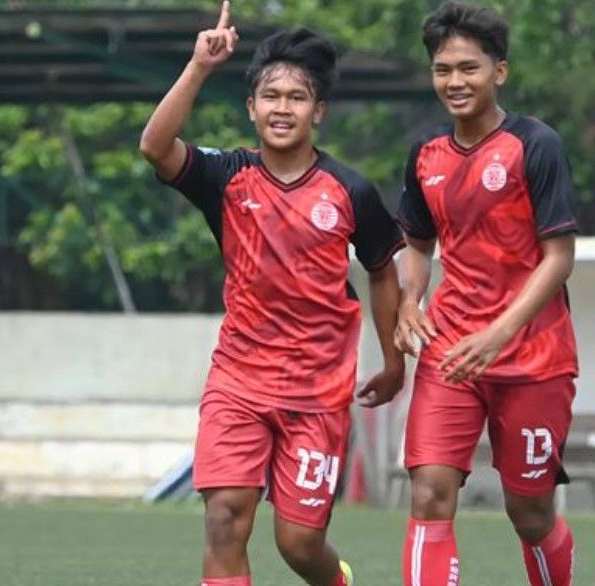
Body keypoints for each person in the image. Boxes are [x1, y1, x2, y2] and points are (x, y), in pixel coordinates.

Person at [139, 3, 406, 585]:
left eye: (297, 96)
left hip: (317, 390)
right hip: (238, 380)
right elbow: (157, 147)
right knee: (224, 521)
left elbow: (384, 270)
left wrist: (391, 361)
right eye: (271, 95)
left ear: (319, 111)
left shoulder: (351, 190)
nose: (282, 107)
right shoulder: (226, 177)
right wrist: (199, 65)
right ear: (251, 107)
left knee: (300, 543)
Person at [393, 2, 580, 585]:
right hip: (452, 350)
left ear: (499, 71)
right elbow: (418, 245)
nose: (455, 81)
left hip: (533, 357)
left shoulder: (535, 144)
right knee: (429, 491)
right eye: (443, 69)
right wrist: (408, 301)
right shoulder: (425, 156)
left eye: (469, 68)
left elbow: (560, 258)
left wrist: (499, 333)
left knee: (528, 512)